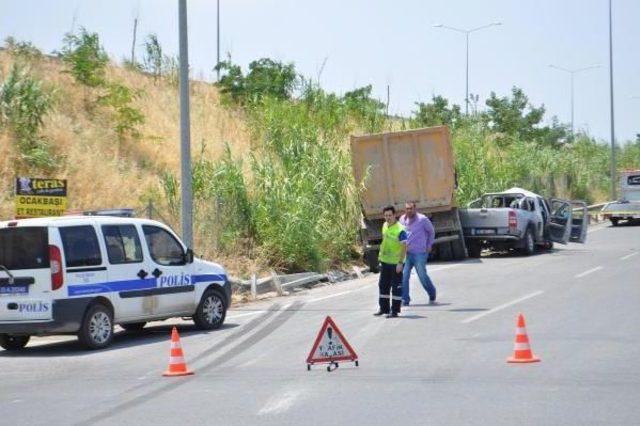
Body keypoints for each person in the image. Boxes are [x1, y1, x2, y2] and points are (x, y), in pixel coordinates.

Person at [399, 201, 436, 305]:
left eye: (411, 208)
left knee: (422, 275)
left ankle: (432, 293)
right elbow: (401, 234)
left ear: (415, 209)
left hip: (420, 253)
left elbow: (431, 232)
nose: (409, 210)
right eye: (407, 208)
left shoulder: (422, 219)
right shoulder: (402, 219)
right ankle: (405, 299)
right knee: (404, 276)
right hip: (406, 253)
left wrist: (429, 245)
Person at [374, 205, 407, 318]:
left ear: (394, 215)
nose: (388, 218)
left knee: (396, 286)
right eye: (386, 215)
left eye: (390, 215)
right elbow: (384, 243)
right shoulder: (384, 225)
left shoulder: (400, 229)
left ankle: (395, 311)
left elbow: (404, 246)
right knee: (383, 285)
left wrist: (400, 263)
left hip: (395, 263)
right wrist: (380, 259)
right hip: (385, 261)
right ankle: (384, 309)